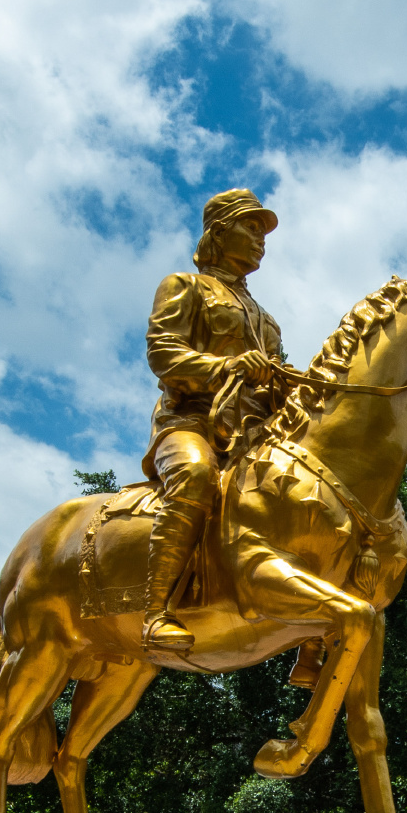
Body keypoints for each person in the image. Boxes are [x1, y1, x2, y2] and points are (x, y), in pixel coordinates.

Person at [141, 188, 281, 656]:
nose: (261, 239)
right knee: (197, 477)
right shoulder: (184, 286)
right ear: (219, 232)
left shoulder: (267, 318)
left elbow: (272, 385)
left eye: (263, 231)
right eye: (251, 227)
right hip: (192, 422)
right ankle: (155, 611)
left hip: (253, 433)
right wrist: (227, 367)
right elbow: (164, 354)